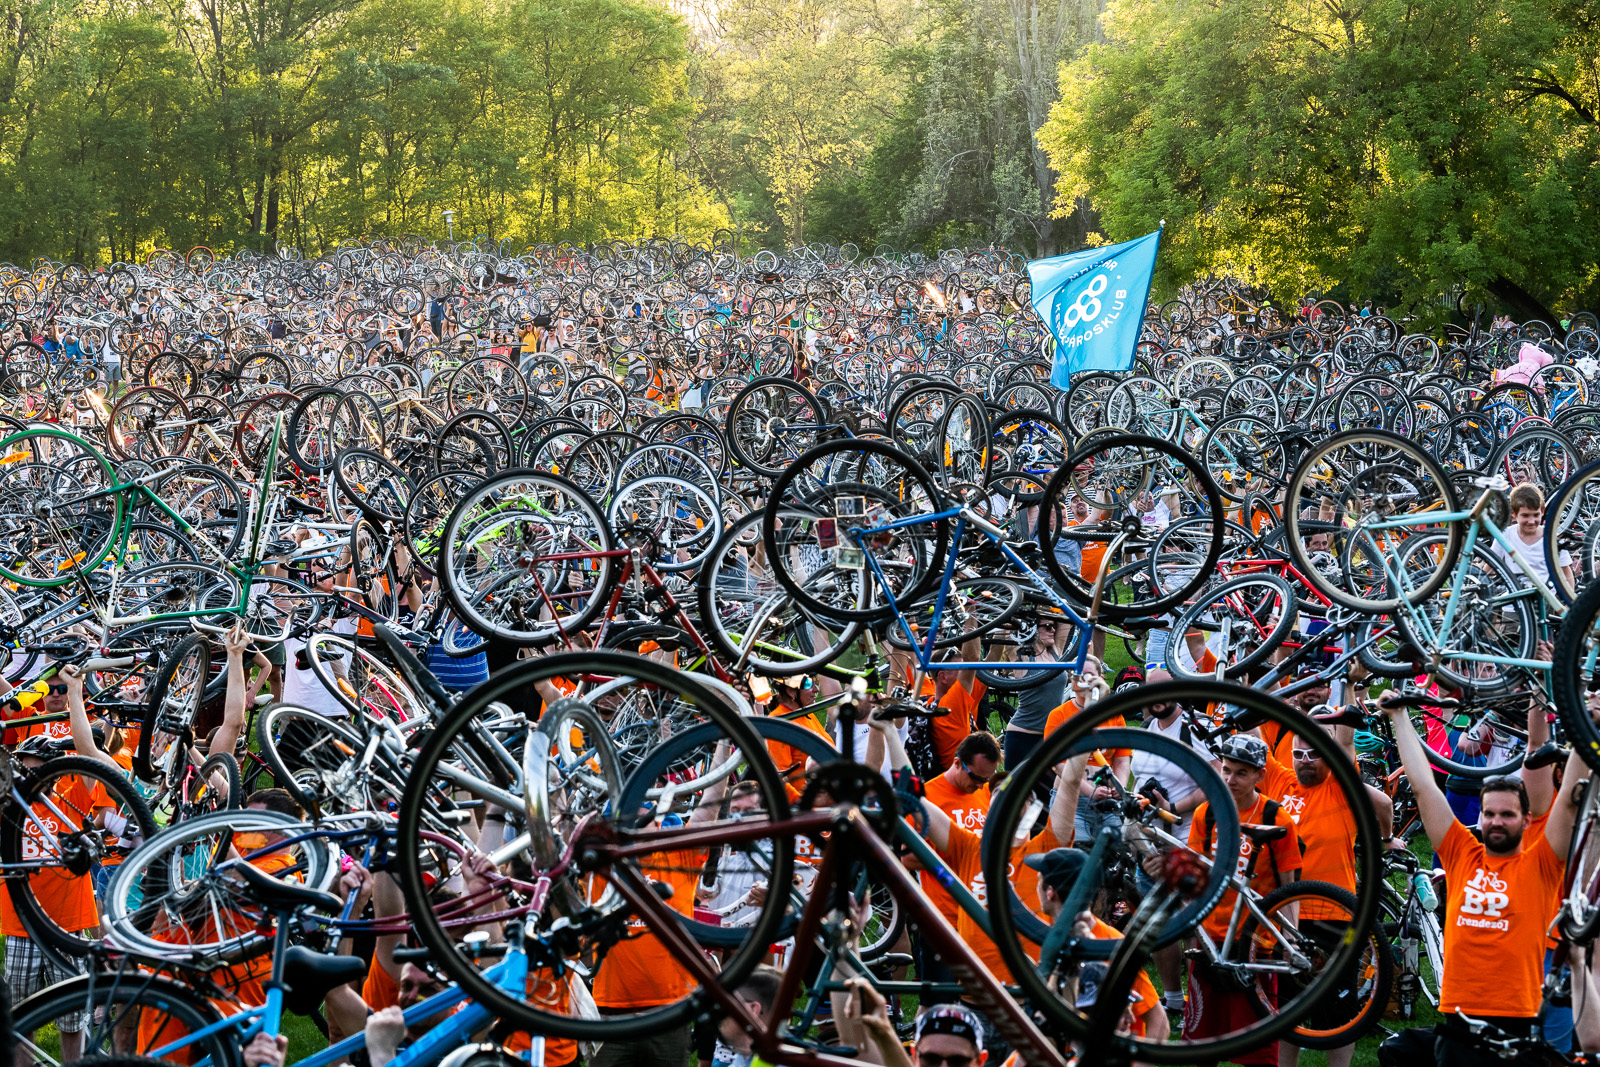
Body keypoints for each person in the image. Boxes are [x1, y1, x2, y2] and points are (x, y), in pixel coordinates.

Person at [1379, 688, 1591, 1066]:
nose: (1495, 820)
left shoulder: (1542, 862)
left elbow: (1571, 799)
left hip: (1517, 1022)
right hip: (1459, 1021)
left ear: (1526, 821)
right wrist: (1398, 718)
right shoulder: (1461, 853)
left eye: (1507, 814)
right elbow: (1426, 786)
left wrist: (1587, 725)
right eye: (1489, 813)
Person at [1184, 733, 1302, 1065]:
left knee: (1258, 1048)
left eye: (1241, 773)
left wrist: (1290, 938)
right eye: (1225, 770)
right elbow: (1194, 879)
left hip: (1256, 944)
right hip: (1210, 940)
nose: (1230, 779)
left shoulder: (1276, 819)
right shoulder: (1206, 815)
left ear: (1260, 776)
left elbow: (1289, 888)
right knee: (1202, 1042)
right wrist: (1192, 928)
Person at [1493, 482, 1573, 593]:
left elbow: (1566, 573)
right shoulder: (1506, 535)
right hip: (1514, 605)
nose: (1531, 521)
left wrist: (1570, 605)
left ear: (1542, 511)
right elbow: (1489, 567)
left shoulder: (1551, 537)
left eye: (1536, 515)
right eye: (1525, 515)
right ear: (1514, 514)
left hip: (1547, 601)